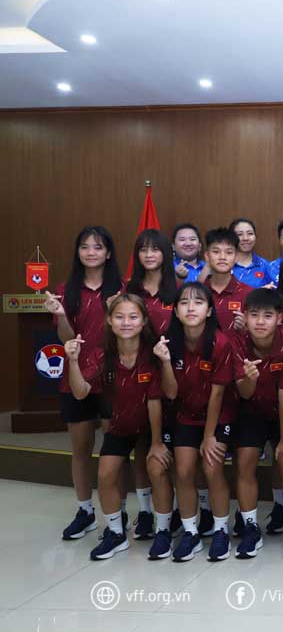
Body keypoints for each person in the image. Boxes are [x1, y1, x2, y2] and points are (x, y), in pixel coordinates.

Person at [63, 295, 165, 560]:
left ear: (143, 321)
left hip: (152, 425)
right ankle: (116, 533)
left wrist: (156, 442)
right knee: (106, 474)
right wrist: (72, 361)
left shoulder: (153, 352)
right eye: (119, 317)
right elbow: (81, 391)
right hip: (120, 425)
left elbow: (155, 401)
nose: (126, 322)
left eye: (133, 317)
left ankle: (160, 526)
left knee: (154, 466)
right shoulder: (101, 354)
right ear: (109, 320)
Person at [146, 282, 236, 562]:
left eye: (198, 303)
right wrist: (163, 362)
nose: (190, 308)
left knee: (211, 466)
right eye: (184, 303)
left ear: (209, 310)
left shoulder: (221, 342)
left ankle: (221, 531)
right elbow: (170, 393)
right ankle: (191, 532)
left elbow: (218, 394)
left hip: (219, 415)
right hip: (185, 414)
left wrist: (209, 437)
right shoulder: (167, 343)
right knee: (183, 471)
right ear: (176, 310)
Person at [45, 226, 124, 541]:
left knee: (114, 450)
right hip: (75, 378)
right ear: (78, 252)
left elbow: (127, 331)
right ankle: (85, 511)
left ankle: (116, 512)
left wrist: (113, 309)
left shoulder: (122, 288)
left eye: (98, 247)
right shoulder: (65, 290)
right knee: (80, 449)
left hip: (113, 380)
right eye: (85, 247)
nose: (91, 252)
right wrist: (62, 315)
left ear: (108, 253)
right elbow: (65, 339)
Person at [231, 288, 283, 559]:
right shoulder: (236, 342)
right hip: (251, 409)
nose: (260, 321)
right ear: (245, 317)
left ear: (280, 318)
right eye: (254, 315)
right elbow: (245, 392)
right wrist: (250, 378)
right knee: (245, 460)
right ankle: (250, 527)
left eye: (267, 315)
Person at [202, 227, 252, 337]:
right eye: (216, 252)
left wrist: (246, 328)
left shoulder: (249, 294)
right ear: (207, 256)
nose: (222, 257)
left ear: (236, 257)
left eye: (229, 252)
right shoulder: (197, 293)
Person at [126, 229, 177, 336]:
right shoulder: (128, 288)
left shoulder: (179, 289)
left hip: (169, 350)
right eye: (143, 250)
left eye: (155, 249)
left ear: (165, 253)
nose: (148, 255)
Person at [229, 218, 272, 288]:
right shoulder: (225, 265)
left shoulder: (266, 266)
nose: (245, 238)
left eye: (250, 233)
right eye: (240, 234)